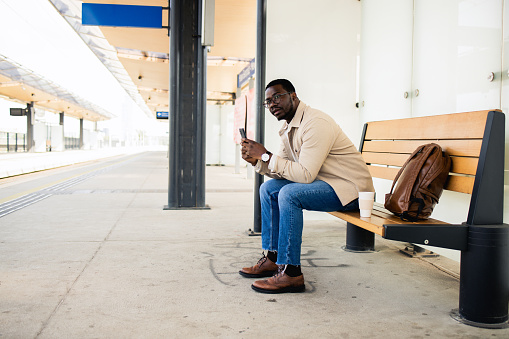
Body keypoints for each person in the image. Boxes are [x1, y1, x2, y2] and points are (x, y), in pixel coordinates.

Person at [239, 78, 374, 294]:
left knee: (289, 194)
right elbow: (282, 169)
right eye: (268, 102)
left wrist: (265, 154)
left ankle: (291, 273)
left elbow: (305, 174)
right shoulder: (289, 127)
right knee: (269, 189)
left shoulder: (315, 123)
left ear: (293, 96)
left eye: (277, 97)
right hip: (327, 184)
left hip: (351, 190)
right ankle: (274, 258)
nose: (272, 104)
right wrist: (258, 161)